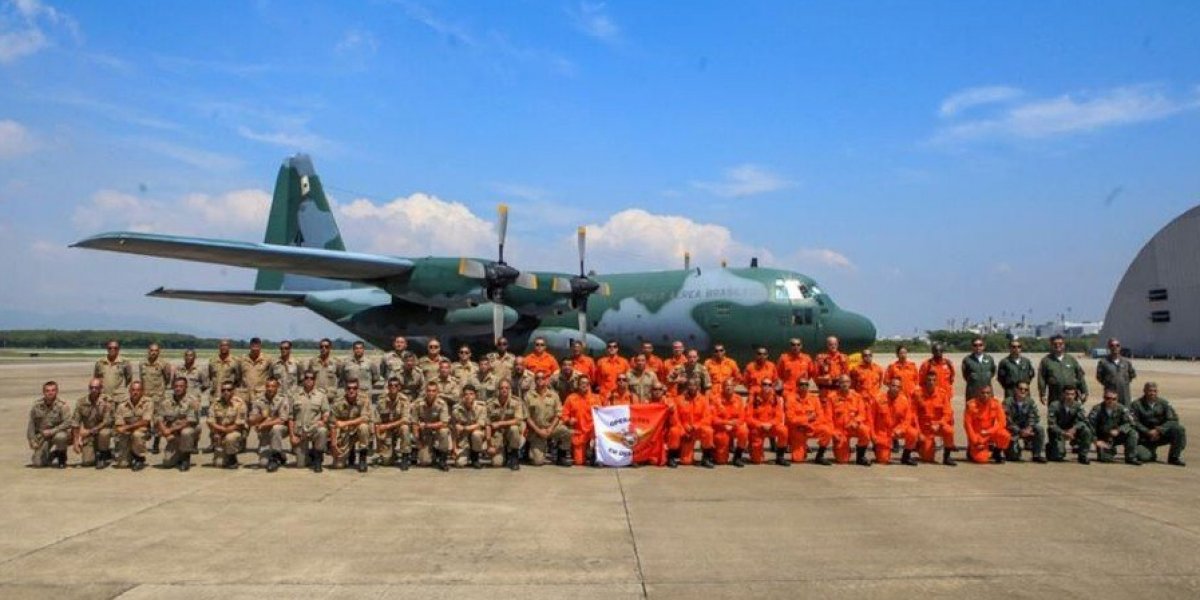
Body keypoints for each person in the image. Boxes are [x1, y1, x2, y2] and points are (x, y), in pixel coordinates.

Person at [1130, 382, 1187, 466]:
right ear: (1144, 391)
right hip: (1145, 438)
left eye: (1155, 391)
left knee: (1179, 429)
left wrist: (1159, 430)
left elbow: (1173, 420)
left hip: (1161, 435)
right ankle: (1151, 453)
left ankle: (1174, 457)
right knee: (1142, 456)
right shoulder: (1136, 404)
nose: (1152, 393)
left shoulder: (1164, 403)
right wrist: (1147, 432)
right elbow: (1134, 422)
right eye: (1150, 391)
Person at [783, 376, 833, 465]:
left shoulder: (814, 399)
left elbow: (820, 417)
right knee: (797, 459)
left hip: (811, 427)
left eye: (806, 384)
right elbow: (790, 419)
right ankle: (801, 447)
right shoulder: (790, 399)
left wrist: (809, 425)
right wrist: (807, 419)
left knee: (827, 431)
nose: (804, 386)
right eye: (801, 384)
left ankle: (820, 456)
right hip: (797, 430)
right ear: (797, 386)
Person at [869, 378, 919, 466]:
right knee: (883, 460)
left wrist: (901, 429)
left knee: (913, 433)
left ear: (900, 389)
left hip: (896, 431)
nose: (895, 388)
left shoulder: (904, 401)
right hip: (882, 433)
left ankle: (906, 457)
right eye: (893, 386)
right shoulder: (878, 399)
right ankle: (878, 447)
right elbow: (871, 418)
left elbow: (907, 419)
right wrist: (873, 436)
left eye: (898, 387)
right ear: (889, 386)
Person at [525, 372, 571, 466]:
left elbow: (558, 414)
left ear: (546, 380)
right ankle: (530, 448)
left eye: (542, 378)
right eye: (537, 378)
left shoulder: (554, 395)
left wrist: (550, 429)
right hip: (536, 431)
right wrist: (538, 431)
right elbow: (527, 417)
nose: (540, 380)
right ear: (535, 381)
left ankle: (561, 456)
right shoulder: (528, 395)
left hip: (550, 428)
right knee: (537, 462)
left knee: (565, 431)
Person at [667, 379, 715, 468]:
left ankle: (706, 458)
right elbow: (675, 418)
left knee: (708, 431)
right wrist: (683, 430)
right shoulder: (679, 399)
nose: (692, 387)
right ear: (686, 387)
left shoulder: (704, 400)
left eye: (694, 385)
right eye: (690, 385)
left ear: (698, 387)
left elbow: (707, 418)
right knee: (674, 431)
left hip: (697, 429)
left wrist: (696, 426)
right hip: (684, 430)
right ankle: (671, 457)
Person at [289, 370, 330, 472]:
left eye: (311, 378)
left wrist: (323, 420)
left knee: (322, 431)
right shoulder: (295, 395)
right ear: (303, 380)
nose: (308, 380)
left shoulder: (321, 395)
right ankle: (310, 455)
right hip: (300, 433)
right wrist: (292, 436)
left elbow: (326, 411)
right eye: (306, 378)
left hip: (314, 429)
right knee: (301, 465)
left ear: (314, 381)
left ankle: (318, 458)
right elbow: (290, 417)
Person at [913, 371, 957, 466]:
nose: (931, 382)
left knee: (949, 431)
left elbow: (948, 413)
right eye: (929, 380)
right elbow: (914, 415)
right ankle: (919, 445)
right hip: (924, 428)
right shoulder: (918, 394)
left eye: (933, 380)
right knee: (928, 458)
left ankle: (947, 457)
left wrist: (939, 424)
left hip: (938, 425)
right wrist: (919, 433)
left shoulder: (942, 394)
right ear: (925, 381)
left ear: (936, 381)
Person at [156, 377, 199, 471]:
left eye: (181, 386)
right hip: (174, 435)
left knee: (186, 432)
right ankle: (179, 452)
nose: (178, 388)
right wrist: (164, 431)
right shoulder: (166, 401)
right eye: (176, 386)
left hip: (188, 430)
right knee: (167, 463)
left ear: (186, 387)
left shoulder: (192, 400)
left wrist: (170, 430)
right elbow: (159, 418)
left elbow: (190, 421)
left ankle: (185, 458)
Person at [828, 375, 872, 466]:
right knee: (842, 461)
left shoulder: (857, 396)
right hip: (839, 431)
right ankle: (842, 448)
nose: (845, 384)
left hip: (852, 427)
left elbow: (862, 414)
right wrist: (833, 432)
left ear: (850, 383)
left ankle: (860, 457)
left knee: (865, 431)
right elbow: (828, 418)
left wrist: (855, 421)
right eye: (842, 382)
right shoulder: (832, 397)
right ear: (839, 383)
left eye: (847, 382)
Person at [329, 380, 373, 472]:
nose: (351, 390)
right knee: (338, 465)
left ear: (358, 389)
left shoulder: (364, 399)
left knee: (364, 427)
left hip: (358, 430)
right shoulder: (338, 402)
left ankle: (362, 458)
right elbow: (332, 423)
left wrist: (345, 423)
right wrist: (333, 444)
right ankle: (350, 451)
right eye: (349, 388)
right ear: (345, 390)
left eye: (354, 388)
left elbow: (365, 418)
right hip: (345, 433)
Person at [1088, 390, 1141, 465]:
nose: (1111, 401)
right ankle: (1110, 450)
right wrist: (1096, 441)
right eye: (1108, 398)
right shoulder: (1097, 409)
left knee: (1133, 433)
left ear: (1117, 399)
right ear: (1104, 398)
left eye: (1114, 399)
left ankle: (1131, 457)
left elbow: (1131, 423)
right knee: (1105, 458)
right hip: (1104, 437)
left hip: (1118, 436)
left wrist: (1119, 430)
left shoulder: (1122, 408)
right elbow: (1089, 425)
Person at [249, 377, 290, 473]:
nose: (270, 388)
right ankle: (281, 455)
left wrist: (265, 423)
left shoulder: (283, 399)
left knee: (276, 428)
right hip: (265, 432)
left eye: (273, 386)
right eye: (268, 386)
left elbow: (282, 419)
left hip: (281, 429)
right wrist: (262, 417)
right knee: (263, 463)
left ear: (277, 387)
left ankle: (275, 458)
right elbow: (252, 420)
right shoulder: (259, 400)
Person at [27, 381, 71, 468]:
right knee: (38, 463)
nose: (50, 393)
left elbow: (67, 423)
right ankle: (53, 454)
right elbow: (31, 424)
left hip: (57, 433)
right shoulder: (37, 406)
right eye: (47, 391)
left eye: (53, 390)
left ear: (57, 391)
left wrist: (52, 431)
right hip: (43, 436)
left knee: (61, 437)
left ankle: (62, 458)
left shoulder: (62, 405)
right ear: (43, 392)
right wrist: (32, 440)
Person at [746, 379, 789, 466]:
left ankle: (780, 457)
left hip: (771, 427)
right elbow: (748, 417)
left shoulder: (776, 399)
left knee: (783, 430)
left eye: (769, 385)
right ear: (761, 386)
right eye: (765, 384)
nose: (767, 386)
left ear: (772, 387)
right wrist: (760, 424)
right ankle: (752, 448)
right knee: (757, 460)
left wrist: (770, 424)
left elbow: (779, 417)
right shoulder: (753, 398)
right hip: (758, 428)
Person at [139, 343, 173, 455]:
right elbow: (141, 379)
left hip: (158, 397)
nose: (153, 352)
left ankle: (156, 444)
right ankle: (143, 443)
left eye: (156, 350)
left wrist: (160, 390)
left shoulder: (164, 364)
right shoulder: (142, 363)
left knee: (158, 420)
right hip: (145, 396)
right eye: (151, 350)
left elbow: (167, 378)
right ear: (148, 351)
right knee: (145, 420)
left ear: (159, 351)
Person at [72, 378, 113, 469]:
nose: (93, 390)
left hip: (102, 430)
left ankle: (103, 456)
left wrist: (92, 430)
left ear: (101, 388)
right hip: (89, 435)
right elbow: (75, 422)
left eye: (96, 388)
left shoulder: (107, 400)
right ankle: (105, 453)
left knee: (104, 433)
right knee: (87, 461)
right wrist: (76, 441)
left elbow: (107, 421)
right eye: (91, 387)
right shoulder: (81, 402)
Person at [112, 381, 153, 471]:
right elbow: (119, 425)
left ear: (142, 391)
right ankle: (129, 453)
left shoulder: (148, 402)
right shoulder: (122, 405)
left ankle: (139, 458)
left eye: (138, 390)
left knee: (136, 434)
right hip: (126, 434)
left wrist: (127, 427)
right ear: (129, 391)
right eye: (133, 390)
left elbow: (145, 422)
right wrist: (123, 429)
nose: (135, 392)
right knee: (122, 464)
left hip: (142, 432)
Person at [963, 387, 1011, 464]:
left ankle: (997, 452)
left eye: (988, 393)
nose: (985, 395)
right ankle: (972, 449)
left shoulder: (996, 404)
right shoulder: (971, 405)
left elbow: (1002, 422)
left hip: (990, 432)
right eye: (983, 393)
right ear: (978, 393)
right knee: (981, 459)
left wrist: (989, 431)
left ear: (991, 394)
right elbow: (968, 425)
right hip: (978, 434)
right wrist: (975, 441)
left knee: (1005, 435)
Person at [375, 377, 414, 469]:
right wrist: (379, 443)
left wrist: (389, 425)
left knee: (405, 428)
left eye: (396, 385)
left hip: (398, 428)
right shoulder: (381, 400)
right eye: (391, 385)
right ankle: (392, 454)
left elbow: (405, 419)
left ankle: (405, 456)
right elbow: (377, 422)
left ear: (399, 387)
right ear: (388, 387)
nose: (393, 387)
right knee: (386, 462)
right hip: (387, 431)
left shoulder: (404, 399)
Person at [1038, 335, 1088, 406]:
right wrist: (1042, 394)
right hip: (1055, 396)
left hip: (1071, 396)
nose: (1058, 346)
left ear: (1064, 345)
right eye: (1055, 344)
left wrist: (1084, 391)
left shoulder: (1071, 359)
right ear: (1051, 345)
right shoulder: (1046, 361)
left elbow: (1080, 376)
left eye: (1060, 344)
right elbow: (1041, 379)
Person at [561, 376, 601, 466]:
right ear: (578, 385)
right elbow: (564, 415)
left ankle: (593, 453)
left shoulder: (596, 398)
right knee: (579, 462)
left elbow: (602, 416)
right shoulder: (571, 398)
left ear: (589, 385)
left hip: (591, 433)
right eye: (582, 383)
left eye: (586, 383)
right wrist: (568, 421)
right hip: (577, 433)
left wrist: (599, 410)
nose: (584, 385)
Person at [1047, 387, 1093, 464]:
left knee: (1086, 430)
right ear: (1063, 394)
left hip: (1072, 431)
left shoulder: (1078, 406)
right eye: (1067, 394)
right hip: (1058, 431)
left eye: (1072, 394)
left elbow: (1082, 421)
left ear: (1075, 395)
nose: (1069, 396)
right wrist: (1063, 433)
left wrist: (1074, 429)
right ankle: (1051, 448)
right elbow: (1052, 424)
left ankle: (1083, 455)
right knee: (1058, 456)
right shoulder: (1054, 405)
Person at [487, 379, 525, 470]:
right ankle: (504, 453)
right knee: (497, 463)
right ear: (498, 390)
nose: (504, 390)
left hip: (510, 433)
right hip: (498, 435)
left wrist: (500, 423)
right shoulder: (490, 403)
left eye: (507, 388)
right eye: (502, 388)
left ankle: (514, 456)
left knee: (514, 428)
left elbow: (518, 420)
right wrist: (489, 445)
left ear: (510, 389)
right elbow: (487, 424)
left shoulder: (516, 402)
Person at [413, 381, 452, 471]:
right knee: (424, 462)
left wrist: (427, 425)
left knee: (444, 431)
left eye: (433, 391)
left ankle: (442, 459)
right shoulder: (418, 404)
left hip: (437, 433)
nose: (431, 393)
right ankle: (433, 453)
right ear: (425, 391)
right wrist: (418, 441)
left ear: (437, 392)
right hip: (425, 435)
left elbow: (444, 423)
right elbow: (414, 423)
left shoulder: (442, 403)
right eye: (429, 391)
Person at [207, 383, 247, 469]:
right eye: (223, 390)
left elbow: (239, 424)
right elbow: (210, 421)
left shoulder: (240, 403)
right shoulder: (216, 403)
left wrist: (225, 431)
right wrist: (219, 431)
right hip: (219, 433)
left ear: (233, 391)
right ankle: (224, 453)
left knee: (230, 438)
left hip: (234, 432)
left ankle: (232, 458)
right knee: (219, 464)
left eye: (228, 390)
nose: (226, 392)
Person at [1002, 383, 1046, 463]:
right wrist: (1019, 431)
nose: (1023, 391)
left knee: (1039, 429)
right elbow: (1007, 420)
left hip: (1026, 429)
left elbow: (1034, 417)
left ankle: (1037, 455)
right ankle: (1012, 451)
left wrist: (1029, 428)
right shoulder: (1007, 402)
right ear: (1016, 390)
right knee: (1013, 457)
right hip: (1012, 430)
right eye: (1021, 389)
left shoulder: (1030, 402)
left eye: (1026, 390)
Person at [711, 382, 749, 467]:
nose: (728, 388)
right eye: (726, 386)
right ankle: (714, 452)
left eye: (731, 386)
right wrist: (726, 423)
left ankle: (737, 456)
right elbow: (713, 418)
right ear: (723, 387)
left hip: (734, 426)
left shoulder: (738, 399)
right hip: (721, 428)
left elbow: (742, 417)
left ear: (734, 387)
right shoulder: (715, 399)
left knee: (744, 431)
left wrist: (733, 424)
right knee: (721, 461)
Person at [451, 385, 488, 469]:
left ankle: (475, 457)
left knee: (476, 434)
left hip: (478, 438)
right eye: (466, 394)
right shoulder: (456, 410)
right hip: (464, 440)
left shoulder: (481, 407)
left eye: (471, 394)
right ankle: (467, 454)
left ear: (475, 395)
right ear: (462, 396)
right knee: (459, 464)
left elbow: (480, 424)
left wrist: (465, 428)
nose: (468, 396)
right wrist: (454, 448)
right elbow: (454, 430)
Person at [1096, 338, 1136, 406]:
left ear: (1120, 347)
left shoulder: (1126, 362)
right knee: (1111, 409)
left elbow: (1132, 375)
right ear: (1109, 347)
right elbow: (1099, 377)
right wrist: (1110, 383)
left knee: (1125, 410)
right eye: (1112, 345)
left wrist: (1123, 382)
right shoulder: (1103, 362)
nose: (1115, 347)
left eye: (1117, 345)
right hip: (1110, 394)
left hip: (1124, 393)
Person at [238, 337, 275, 403]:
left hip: (260, 396)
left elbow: (271, 375)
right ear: (250, 347)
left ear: (260, 347)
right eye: (253, 347)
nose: (255, 349)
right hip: (245, 396)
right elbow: (238, 376)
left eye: (257, 347)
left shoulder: (267, 359)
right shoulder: (242, 360)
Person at [814, 336, 850, 403]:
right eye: (831, 344)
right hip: (826, 392)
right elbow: (815, 377)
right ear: (827, 345)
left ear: (838, 344)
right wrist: (823, 380)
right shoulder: (820, 358)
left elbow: (847, 376)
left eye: (835, 344)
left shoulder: (844, 358)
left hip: (839, 392)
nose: (833, 346)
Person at [961, 337, 996, 401]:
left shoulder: (989, 359)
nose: (978, 347)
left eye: (980, 345)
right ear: (972, 347)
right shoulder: (967, 360)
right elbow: (965, 375)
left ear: (984, 346)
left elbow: (992, 372)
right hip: (972, 393)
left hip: (987, 393)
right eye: (975, 345)